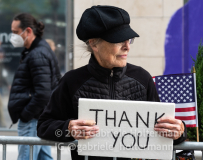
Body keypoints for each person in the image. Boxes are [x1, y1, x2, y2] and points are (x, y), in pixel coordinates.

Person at [37, 5, 187, 160]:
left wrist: (179, 132)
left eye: (129, 39)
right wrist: (68, 129)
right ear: (94, 44)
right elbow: (43, 126)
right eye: (118, 40)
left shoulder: (142, 78)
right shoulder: (72, 81)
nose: (127, 46)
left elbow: (164, 131)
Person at [8, 13, 61, 160]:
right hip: (38, 118)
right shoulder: (36, 51)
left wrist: (25, 115)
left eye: (15, 32)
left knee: (26, 157)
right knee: (44, 157)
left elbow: (43, 93)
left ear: (28, 31)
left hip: (33, 120)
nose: (12, 36)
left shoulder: (37, 54)